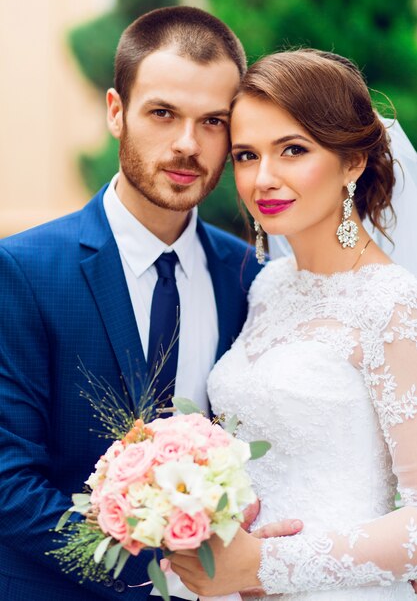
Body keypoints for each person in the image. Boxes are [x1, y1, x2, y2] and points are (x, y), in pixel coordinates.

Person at [0, 7, 300, 601]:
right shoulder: (24, 269)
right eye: (162, 113)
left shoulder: (250, 276)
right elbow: (9, 481)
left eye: (212, 121)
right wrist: (161, 575)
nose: (187, 145)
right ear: (117, 111)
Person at [169, 49, 417, 599]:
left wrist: (267, 564)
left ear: (353, 161)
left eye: (293, 150)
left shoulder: (394, 304)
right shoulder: (268, 287)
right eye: (245, 155)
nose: (264, 179)